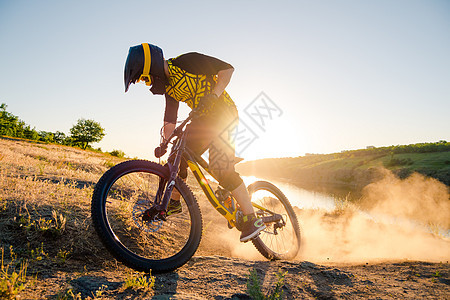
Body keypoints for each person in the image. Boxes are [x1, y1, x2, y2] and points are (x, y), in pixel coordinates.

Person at [124, 43, 266, 242]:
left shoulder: (186, 62)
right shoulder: (171, 89)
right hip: (203, 120)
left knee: (221, 168)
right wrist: (165, 143)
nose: (149, 85)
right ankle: (173, 202)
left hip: (224, 115)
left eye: (146, 78)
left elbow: (227, 69)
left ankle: (253, 219)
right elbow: (170, 119)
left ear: (152, 66)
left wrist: (213, 95)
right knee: (176, 155)